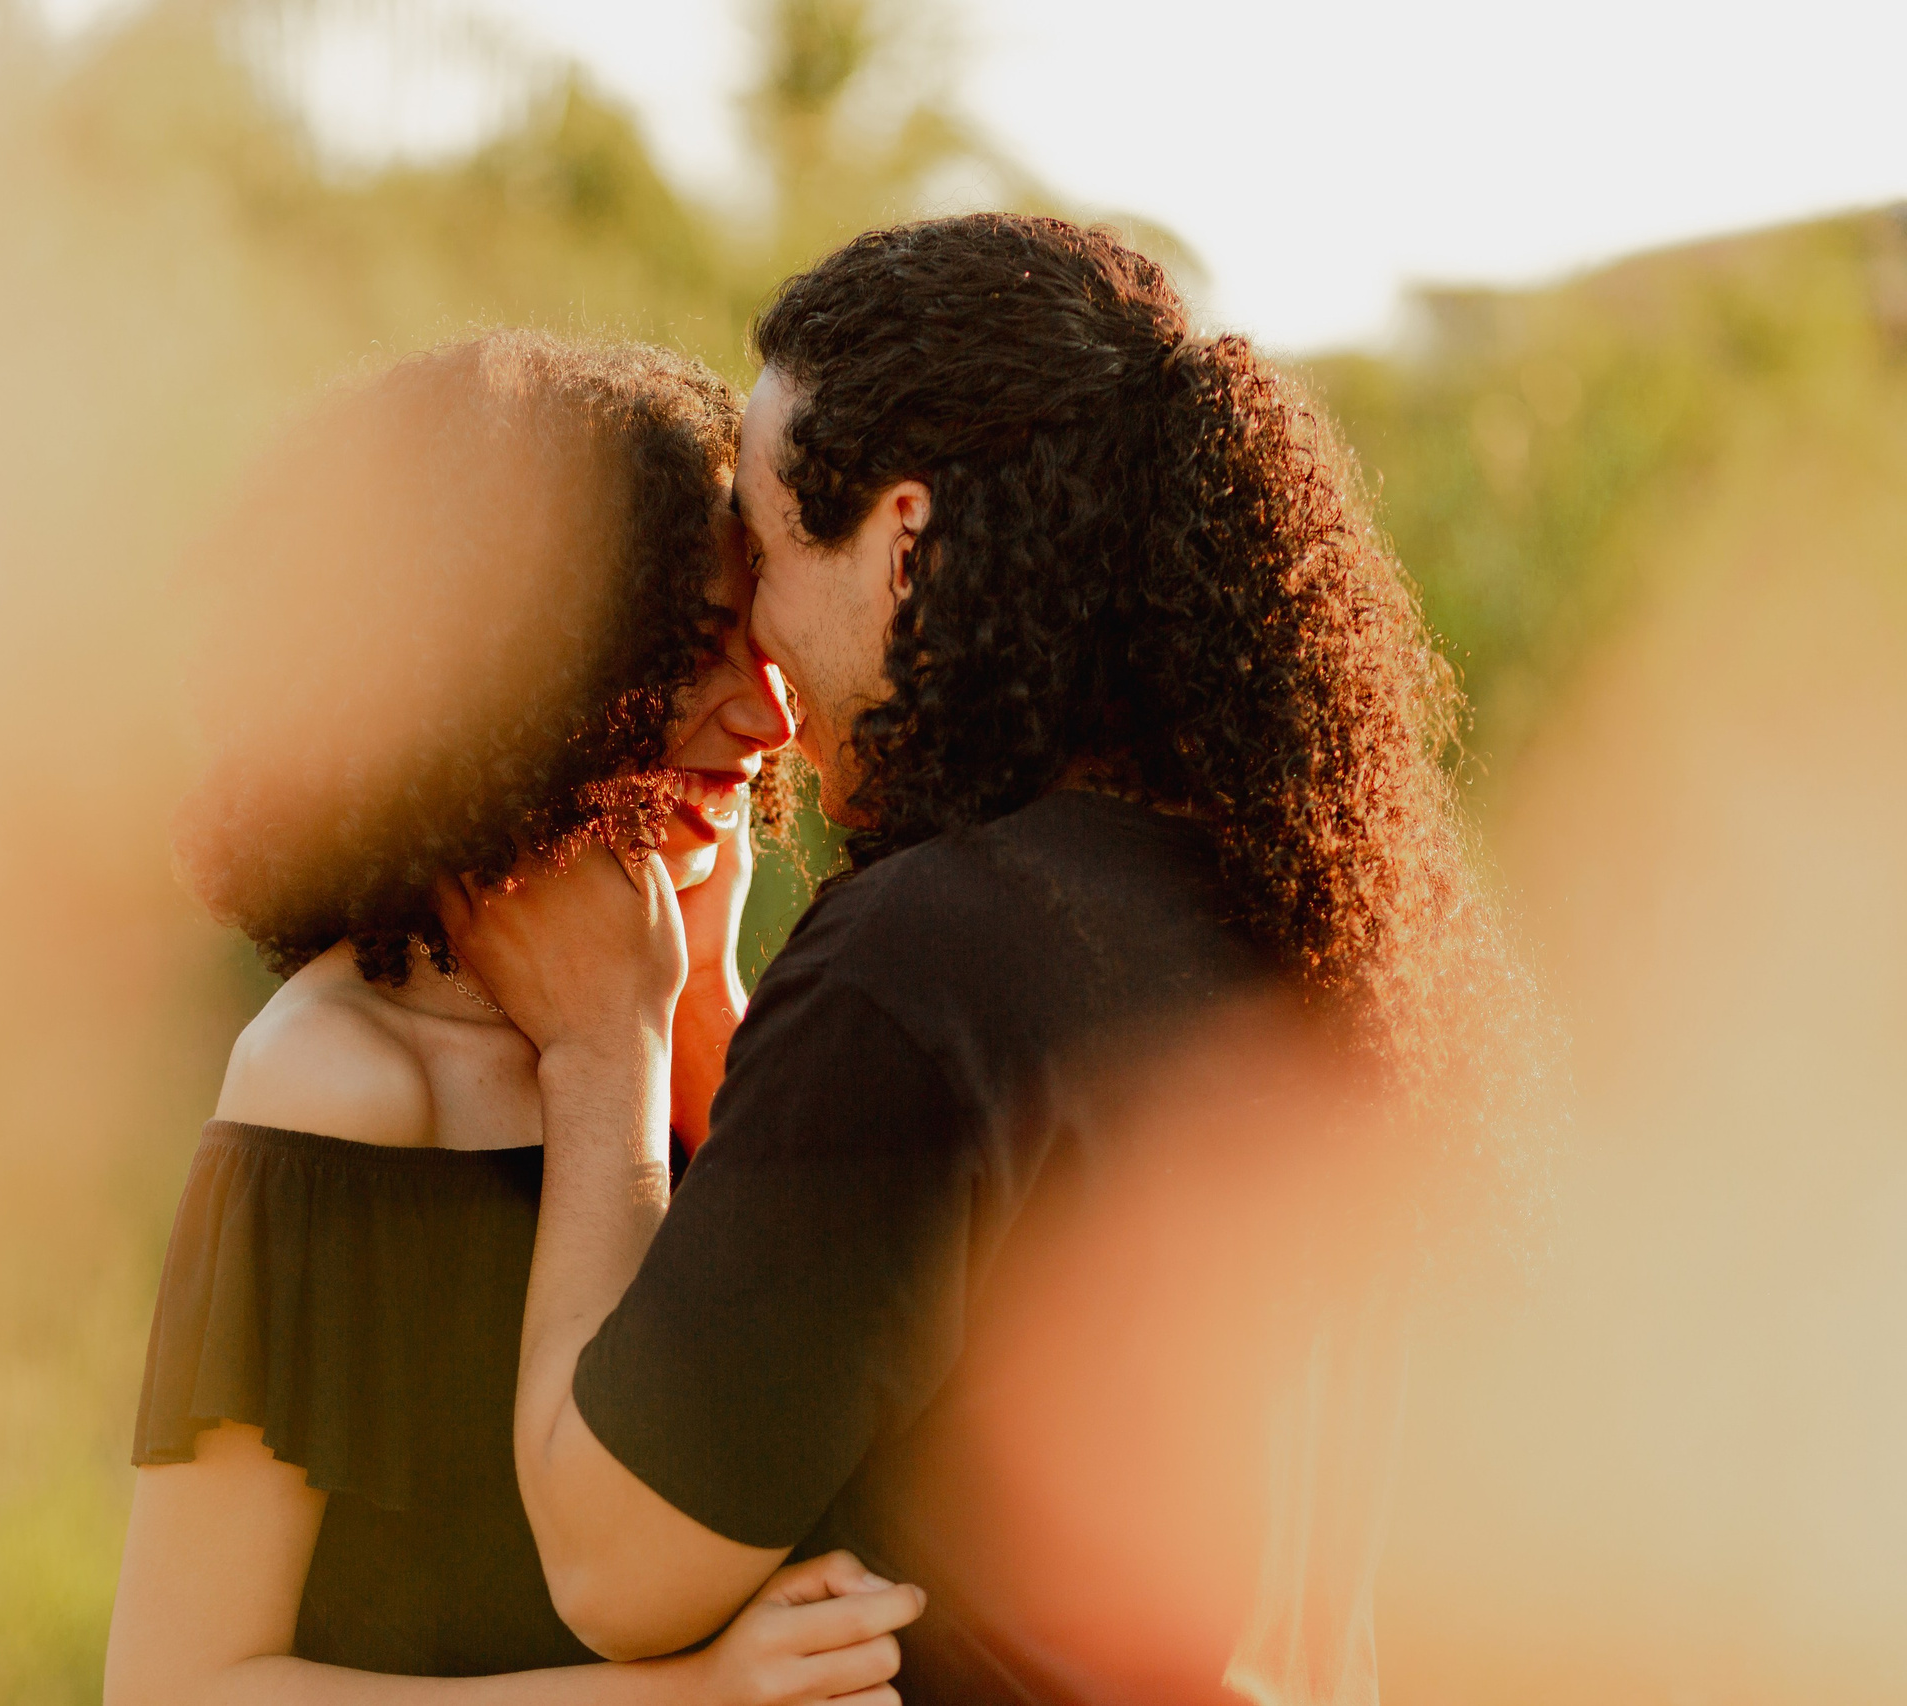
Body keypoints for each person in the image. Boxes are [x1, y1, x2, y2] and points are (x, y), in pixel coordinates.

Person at [439, 216, 1537, 1704]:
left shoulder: (929, 961)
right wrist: (708, 1001)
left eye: (763, 551)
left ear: (905, 535)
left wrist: (603, 1046)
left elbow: (613, 1556)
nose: (752, 646)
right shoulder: (1312, 927)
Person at [104, 332, 927, 1706]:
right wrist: (695, 1697)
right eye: (693, 654)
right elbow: (180, 1686)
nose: (769, 716)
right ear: (519, 676)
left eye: (758, 632)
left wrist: (690, 1005)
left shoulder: (682, 997)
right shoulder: (338, 1079)